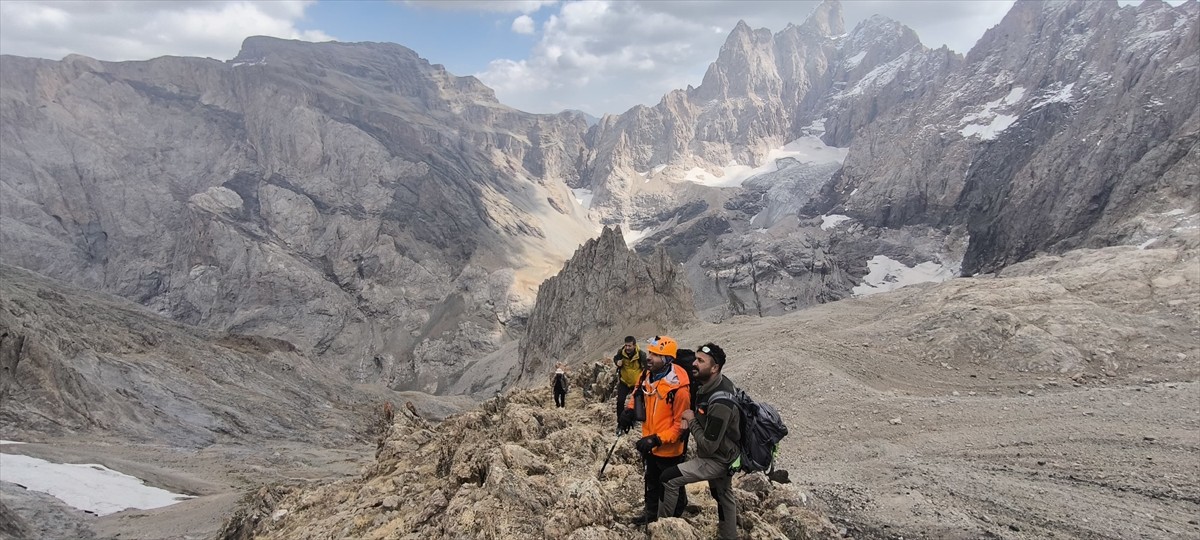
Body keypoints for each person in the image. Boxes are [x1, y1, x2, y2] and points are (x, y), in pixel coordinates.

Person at [658, 343, 740, 539]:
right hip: (725, 453)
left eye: (700, 361)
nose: (694, 363)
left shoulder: (721, 402)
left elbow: (708, 445)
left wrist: (692, 420)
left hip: (718, 458)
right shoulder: (710, 385)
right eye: (695, 359)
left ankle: (662, 530)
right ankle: (729, 536)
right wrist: (691, 417)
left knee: (668, 479)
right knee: (722, 495)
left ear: (715, 368)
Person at [617, 335, 690, 525]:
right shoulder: (647, 376)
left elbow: (679, 426)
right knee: (651, 481)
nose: (649, 357)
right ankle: (650, 515)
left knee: (670, 484)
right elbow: (637, 394)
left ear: (667, 359)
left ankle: (674, 518)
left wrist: (656, 439)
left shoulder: (679, 389)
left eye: (656, 354)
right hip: (649, 443)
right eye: (650, 352)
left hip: (668, 449)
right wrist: (629, 410)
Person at [612, 335, 647, 428]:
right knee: (620, 401)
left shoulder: (641, 355)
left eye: (629, 346)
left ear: (634, 346)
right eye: (626, 345)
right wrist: (617, 362)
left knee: (637, 402)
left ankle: (633, 420)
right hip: (624, 382)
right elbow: (615, 358)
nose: (627, 348)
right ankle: (620, 422)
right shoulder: (621, 352)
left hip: (636, 384)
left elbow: (646, 368)